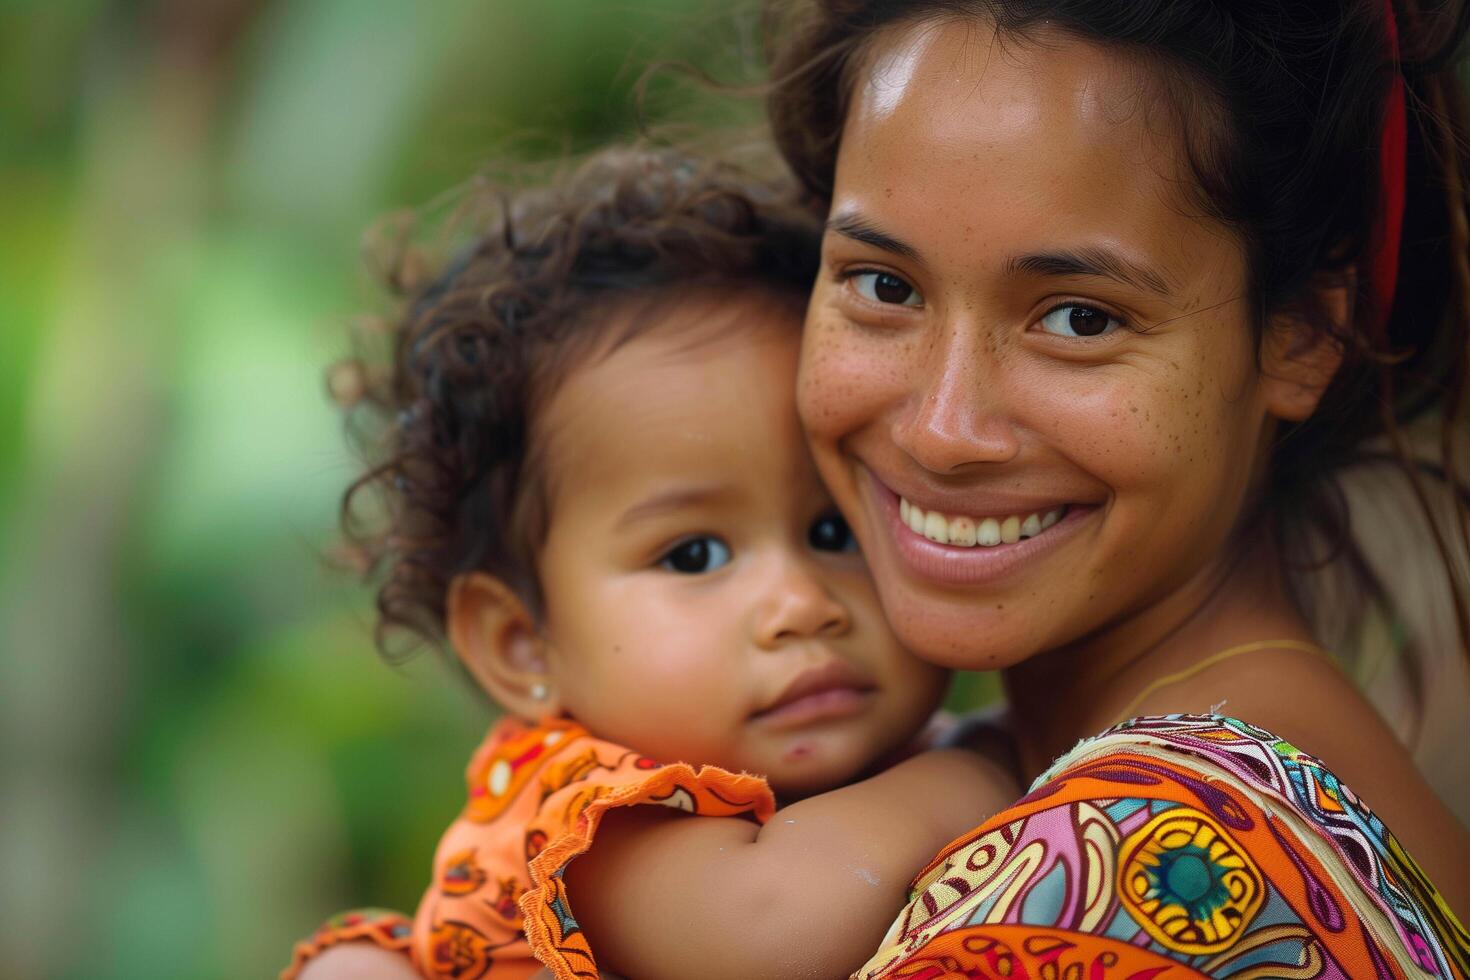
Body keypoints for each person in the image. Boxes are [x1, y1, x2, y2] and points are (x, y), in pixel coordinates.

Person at [762, 0, 1470, 975]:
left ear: (1303, 333)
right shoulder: (1044, 777)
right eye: (884, 286)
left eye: (1082, 318)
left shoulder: (1142, 865)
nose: (942, 429)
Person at [284, 148, 1018, 980]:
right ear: (521, 642)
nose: (802, 603)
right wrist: (981, 769)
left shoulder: (869, 768)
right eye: (694, 554)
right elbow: (769, 926)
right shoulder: (590, 814)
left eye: (834, 531)